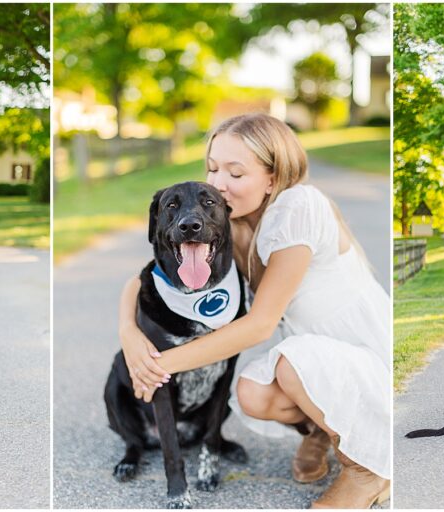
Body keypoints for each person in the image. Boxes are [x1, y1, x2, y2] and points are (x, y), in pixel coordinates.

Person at [118, 113, 389, 508]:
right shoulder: (233, 224)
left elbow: (260, 325)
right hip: (317, 356)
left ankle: (367, 469)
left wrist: (158, 364)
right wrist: (129, 334)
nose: (218, 184)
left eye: (236, 173)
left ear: (273, 178)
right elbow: (141, 280)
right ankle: (322, 431)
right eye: (212, 169)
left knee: (287, 366)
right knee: (253, 393)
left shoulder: (300, 205)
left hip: (363, 353)